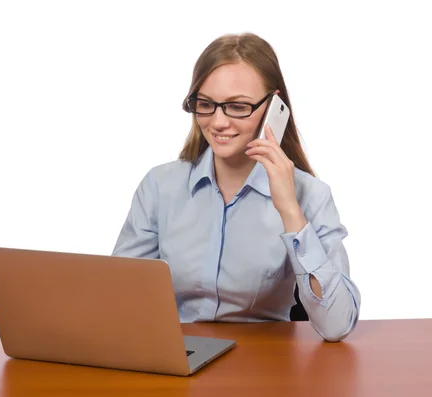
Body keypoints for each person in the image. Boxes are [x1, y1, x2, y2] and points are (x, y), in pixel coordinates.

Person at [112, 32, 361, 342]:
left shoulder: (310, 195)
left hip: (264, 366)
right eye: (206, 104)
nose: (218, 122)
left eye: (237, 106)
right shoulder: (160, 187)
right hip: (178, 359)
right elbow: (118, 297)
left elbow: (337, 324)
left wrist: (290, 211)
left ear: (274, 105)